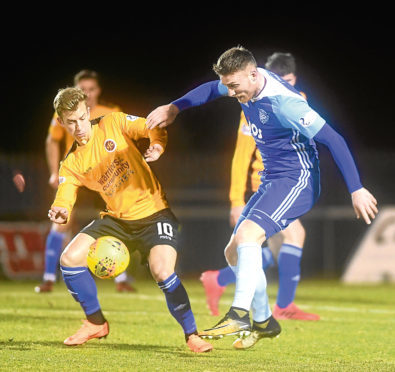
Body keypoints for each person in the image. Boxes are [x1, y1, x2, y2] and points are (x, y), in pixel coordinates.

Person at [146, 46, 378, 349]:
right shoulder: (245, 82)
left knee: (247, 239)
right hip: (272, 181)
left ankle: (239, 314)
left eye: (235, 86)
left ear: (254, 75)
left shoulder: (284, 104)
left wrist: (356, 188)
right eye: (228, 86)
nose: (230, 92)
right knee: (233, 252)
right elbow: (209, 90)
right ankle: (265, 320)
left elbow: (333, 139)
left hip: (298, 180)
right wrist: (175, 108)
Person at [47, 87, 213, 353]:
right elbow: (65, 194)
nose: (78, 126)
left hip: (154, 212)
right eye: (70, 122)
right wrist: (61, 210)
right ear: (61, 122)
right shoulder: (71, 163)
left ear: (88, 112)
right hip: (117, 220)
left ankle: (192, 334)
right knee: (69, 258)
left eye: (80, 118)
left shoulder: (113, 122)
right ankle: (95, 323)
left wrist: (158, 144)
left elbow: (151, 126)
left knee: (162, 270)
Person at [200, 52, 319, 321]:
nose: (286, 84)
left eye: (289, 80)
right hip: (267, 184)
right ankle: (279, 308)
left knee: (276, 248)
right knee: (293, 237)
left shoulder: (296, 99)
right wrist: (235, 200)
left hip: (288, 182)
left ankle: (219, 280)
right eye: (282, 79)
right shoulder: (256, 101)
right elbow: (241, 155)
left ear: (295, 79)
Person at [36, 70, 136, 293]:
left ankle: (121, 279)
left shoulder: (111, 112)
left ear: (98, 91)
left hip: (104, 178)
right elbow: (52, 140)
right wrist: (54, 172)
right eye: (83, 90)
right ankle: (49, 278)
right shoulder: (63, 115)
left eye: (91, 89)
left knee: (117, 220)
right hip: (76, 174)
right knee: (62, 221)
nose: (88, 94)